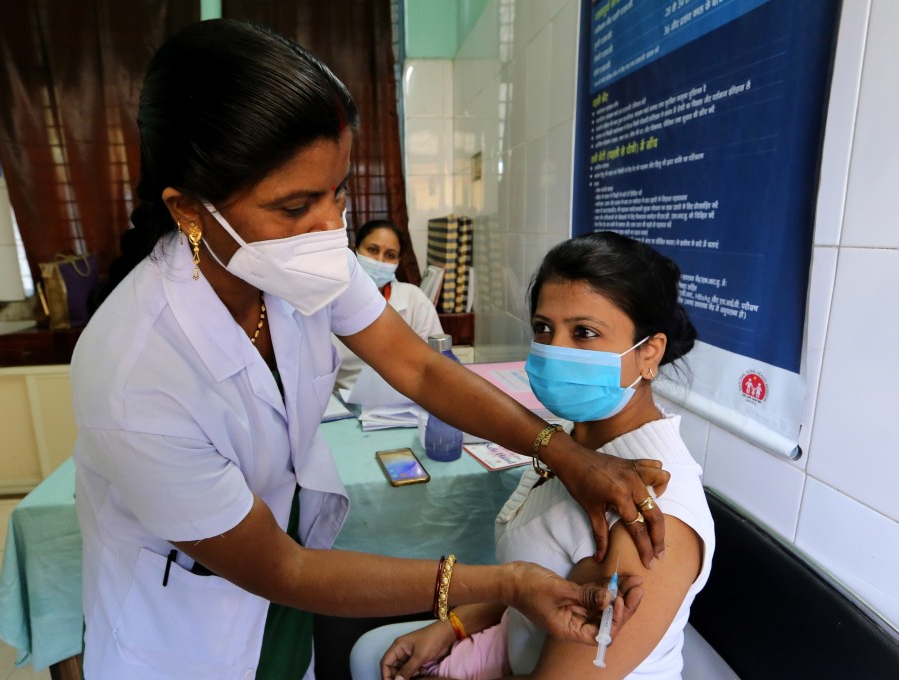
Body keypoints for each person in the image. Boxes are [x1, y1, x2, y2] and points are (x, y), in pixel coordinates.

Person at [70, 19, 670, 680]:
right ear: (188, 209)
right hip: (177, 637)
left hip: (280, 603)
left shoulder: (298, 259)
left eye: (338, 192)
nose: (331, 229)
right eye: (296, 205)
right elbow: (283, 567)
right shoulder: (135, 372)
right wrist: (504, 584)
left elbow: (416, 364)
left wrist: (565, 453)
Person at [352, 232, 715, 680]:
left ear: (649, 353)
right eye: (544, 328)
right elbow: (538, 579)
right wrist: (453, 626)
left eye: (584, 333)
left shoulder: (654, 519)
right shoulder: (574, 448)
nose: (554, 349)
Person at [333, 219, 443, 390]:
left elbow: (436, 361)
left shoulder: (414, 299)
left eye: (390, 255)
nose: (379, 260)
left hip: (405, 398)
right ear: (355, 249)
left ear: (399, 260)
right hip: (344, 398)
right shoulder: (332, 299)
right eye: (372, 250)